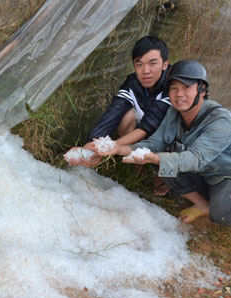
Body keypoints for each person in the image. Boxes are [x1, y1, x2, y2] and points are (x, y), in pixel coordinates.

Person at [97, 60, 231, 238]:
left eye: (186, 87)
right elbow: (154, 144)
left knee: (221, 214)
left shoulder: (220, 119)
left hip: (230, 175)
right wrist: (118, 148)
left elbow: (195, 158)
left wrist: (156, 158)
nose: (179, 94)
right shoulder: (173, 113)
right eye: (173, 88)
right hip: (203, 173)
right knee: (164, 164)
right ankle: (202, 205)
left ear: (202, 89)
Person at [66, 36, 171, 195]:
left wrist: (109, 148)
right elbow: (113, 113)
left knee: (169, 137)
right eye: (139, 64)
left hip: (169, 134)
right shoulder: (133, 83)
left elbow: (148, 127)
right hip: (144, 130)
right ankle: (138, 167)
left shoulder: (173, 86)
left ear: (165, 64)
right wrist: (91, 144)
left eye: (153, 63)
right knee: (126, 116)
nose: (146, 71)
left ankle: (162, 177)